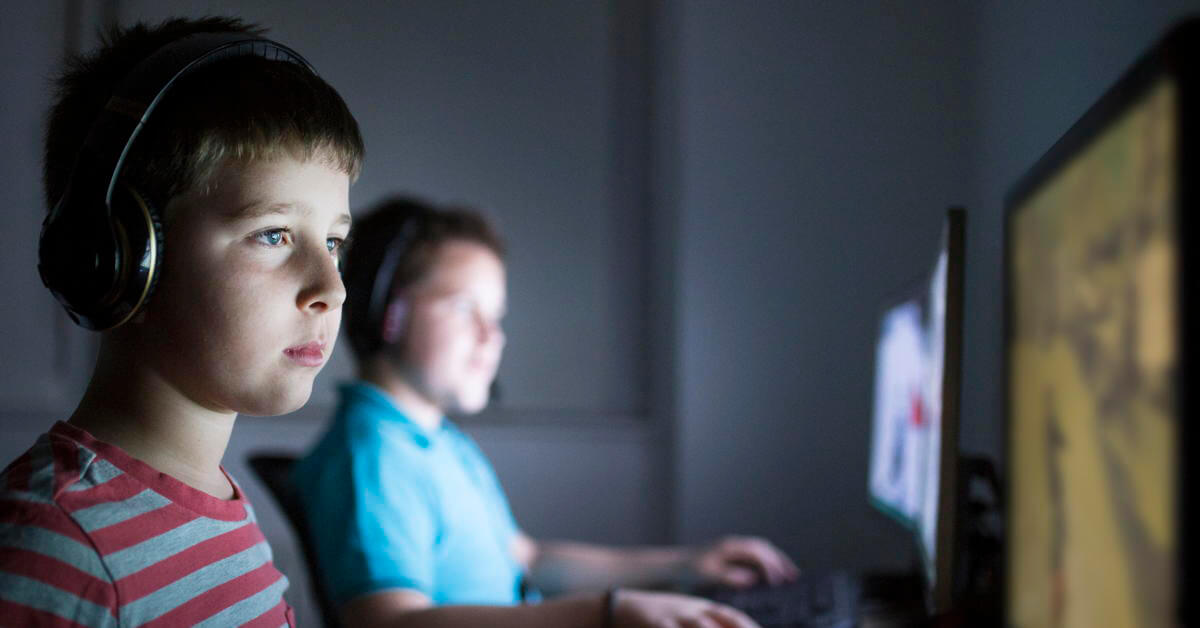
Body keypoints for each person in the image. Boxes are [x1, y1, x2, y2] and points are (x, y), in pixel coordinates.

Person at [0, 16, 362, 626]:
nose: (332, 288)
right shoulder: (53, 548)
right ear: (119, 258)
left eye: (332, 242)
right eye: (273, 235)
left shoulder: (217, 506)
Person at [294, 197, 799, 628]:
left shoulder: (436, 441)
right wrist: (605, 614)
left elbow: (530, 560)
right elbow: (391, 624)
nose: (493, 338)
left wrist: (687, 565)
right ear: (390, 313)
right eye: (465, 308)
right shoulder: (374, 455)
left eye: (496, 317)